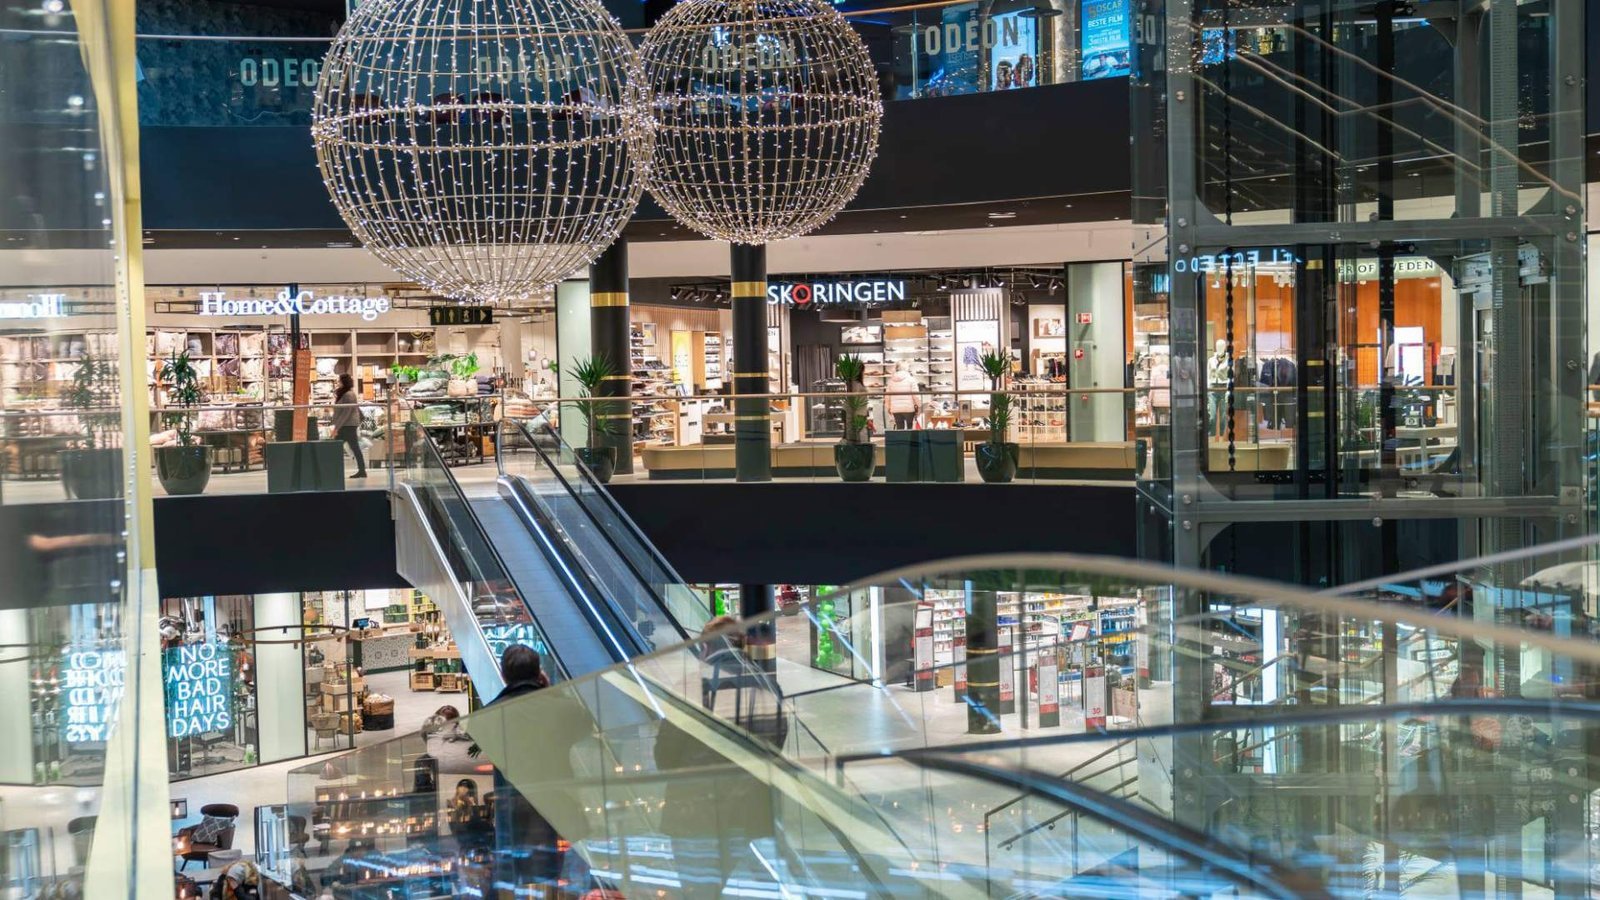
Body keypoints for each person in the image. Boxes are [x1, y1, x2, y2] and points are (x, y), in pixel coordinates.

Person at [330, 372, 367, 479]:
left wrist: (337, 427)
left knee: (336, 447)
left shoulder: (349, 395)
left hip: (347, 425)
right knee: (354, 447)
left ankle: (334, 471)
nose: (338, 383)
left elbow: (346, 413)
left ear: (343, 382)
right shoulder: (345, 393)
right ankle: (361, 471)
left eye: (339, 381)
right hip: (347, 425)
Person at [885, 363, 921, 430]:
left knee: (899, 428)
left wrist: (888, 407)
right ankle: (910, 437)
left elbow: (887, 396)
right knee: (910, 427)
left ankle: (901, 437)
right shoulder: (911, 379)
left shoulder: (891, 381)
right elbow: (915, 395)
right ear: (906, 368)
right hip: (909, 407)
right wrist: (919, 405)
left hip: (895, 408)